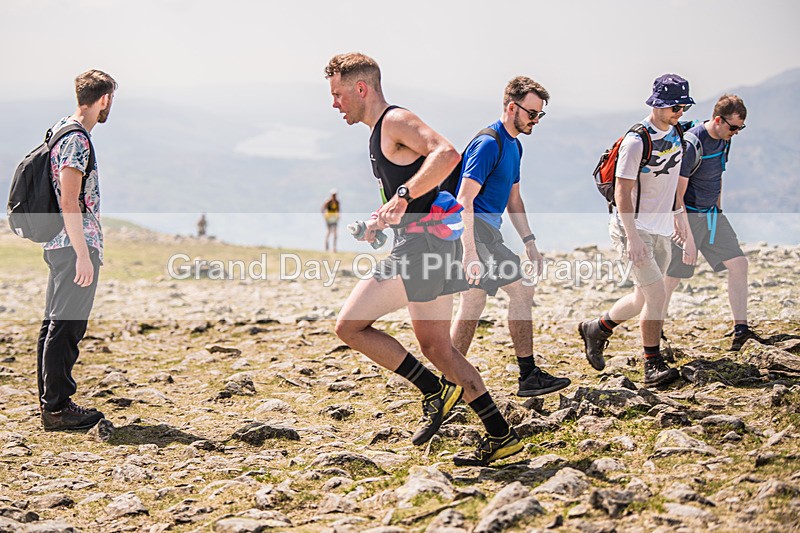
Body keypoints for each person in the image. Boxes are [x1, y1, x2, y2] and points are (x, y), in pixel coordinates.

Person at [326, 52, 522, 466]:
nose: (334, 103)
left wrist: (402, 196)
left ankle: (435, 391)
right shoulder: (379, 133)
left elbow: (446, 153)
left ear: (361, 88)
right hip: (427, 244)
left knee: (349, 325)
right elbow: (416, 191)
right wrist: (382, 219)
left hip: (422, 250)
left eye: (338, 94)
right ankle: (501, 435)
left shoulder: (395, 120)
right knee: (437, 347)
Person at [451, 76, 570, 397]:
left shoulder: (514, 145)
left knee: (474, 303)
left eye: (540, 114)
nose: (536, 120)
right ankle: (526, 375)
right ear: (511, 107)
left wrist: (529, 241)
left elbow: (513, 199)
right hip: (475, 232)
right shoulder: (489, 144)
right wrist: (469, 251)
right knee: (516, 293)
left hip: (488, 233)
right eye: (532, 113)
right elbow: (464, 199)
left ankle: (449, 382)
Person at [578, 74, 694, 387]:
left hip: (662, 228)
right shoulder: (636, 141)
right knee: (657, 295)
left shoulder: (677, 133)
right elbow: (622, 191)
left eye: (683, 107)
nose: (680, 112)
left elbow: (672, 182)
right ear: (657, 104)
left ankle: (596, 328)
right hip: (634, 228)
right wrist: (631, 237)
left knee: (642, 298)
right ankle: (651, 364)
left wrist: (679, 216)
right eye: (675, 107)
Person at [37, 70, 117, 431]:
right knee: (66, 327)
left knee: (54, 324)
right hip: (73, 244)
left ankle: (51, 404)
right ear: (104, 99)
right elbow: (69, 200)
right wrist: (83, 254)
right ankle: (57, 408)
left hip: (60, 242)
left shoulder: (60, 129)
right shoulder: (76, 140)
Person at [664, 94, 762, 351]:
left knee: (739, 264)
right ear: (718, 120)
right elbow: (677, 194)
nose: (736, 133)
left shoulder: (725, 140)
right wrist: (687, 237)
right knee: (672, 278)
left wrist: (718, 209)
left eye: (740, 128)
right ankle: (655, 332)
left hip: (711, 215)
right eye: (734, 127)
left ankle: (741, 330)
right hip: (685, 217)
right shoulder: (693, 143)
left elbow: (717, 176)